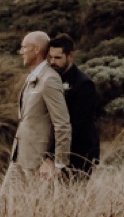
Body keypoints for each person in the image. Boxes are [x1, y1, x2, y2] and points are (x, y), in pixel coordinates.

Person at [8, 29, 71, 185]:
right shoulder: (32, 76)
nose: (21, 51)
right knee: (3, 204)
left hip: (37, 162)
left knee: (33, 206)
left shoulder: (50, 79)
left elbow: (62, 124)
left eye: (24, 47)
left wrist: (58, 163)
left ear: (36, 50)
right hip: (19, 157)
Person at [46, 34, 100, 176]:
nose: (52, 62)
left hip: (80, 152)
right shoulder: (52, 79)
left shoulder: (83, 84)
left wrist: (53, 156)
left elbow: (76, 124)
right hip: (59, 149)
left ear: (70, 56)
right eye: (50, 57)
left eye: (58, 58)